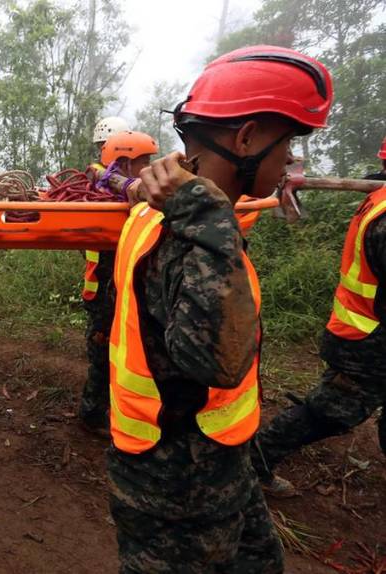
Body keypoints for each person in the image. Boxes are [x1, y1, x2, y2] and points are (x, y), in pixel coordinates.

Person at [108, 45, 333, 573]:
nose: (288, 166)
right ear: (247, 137)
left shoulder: (167, 211)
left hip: (214, 457)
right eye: (287, 148)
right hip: (177, 483)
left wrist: (207, 209)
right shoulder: (191, 230)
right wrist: (207, 212)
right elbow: (219, 362)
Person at [253, 162, 386, 496]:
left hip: (365, 331)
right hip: (368, 342)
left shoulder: (379, 198)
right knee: (332, 412)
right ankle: (254, 463)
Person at [78, 131, 158, 436]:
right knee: (101, 356)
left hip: (121, 293)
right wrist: (126, 184)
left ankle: (108, 410)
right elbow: (98, 171)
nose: (149, 169)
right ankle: (92, 414)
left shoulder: (131, 197)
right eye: (144, 163)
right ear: (124, 163)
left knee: (120, 356)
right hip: (102, 295)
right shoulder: (104, 188)